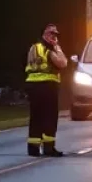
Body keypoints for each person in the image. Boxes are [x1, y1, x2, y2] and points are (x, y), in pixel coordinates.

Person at [25, 23, 68, 157]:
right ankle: (49, 148)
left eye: (55, 35)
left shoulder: (34, 47)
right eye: (51, 34)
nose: (54, 37)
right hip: (47, 86)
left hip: (33, 86)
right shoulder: (49, 50)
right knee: (49, 117)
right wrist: (57, 48)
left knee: (36, 117)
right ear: (44, 34)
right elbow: (63, 63)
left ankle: (33, 148)